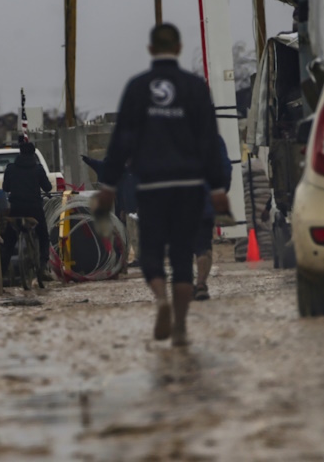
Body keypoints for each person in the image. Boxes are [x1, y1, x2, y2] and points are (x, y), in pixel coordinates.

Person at [95, 23, 231, 347]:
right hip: (189, 186)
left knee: (151, 253)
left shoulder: (138, 88)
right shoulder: (196, 88)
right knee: (183, 256)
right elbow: (209, 143)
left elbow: (121, 141)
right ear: (180, 48)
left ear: (151, 50)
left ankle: (161, 301)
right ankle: (181, 327)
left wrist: (109, 183)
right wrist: (217, 188)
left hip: (152, 186)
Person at [2, 141, 53, 280]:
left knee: (9, 240)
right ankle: (43, 266)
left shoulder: (11, 168)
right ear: (33, 153)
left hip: (16, 209)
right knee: (43, 235)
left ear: (20, 152)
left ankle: (2, 271)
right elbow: (48, 187)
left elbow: (5, 188)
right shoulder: (38, 169)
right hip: (34, 209)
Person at [193, 135, 233, 301]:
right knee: (203, 245)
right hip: (204, 201)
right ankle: (201, 283)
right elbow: (225, 167)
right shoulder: (213, 139)